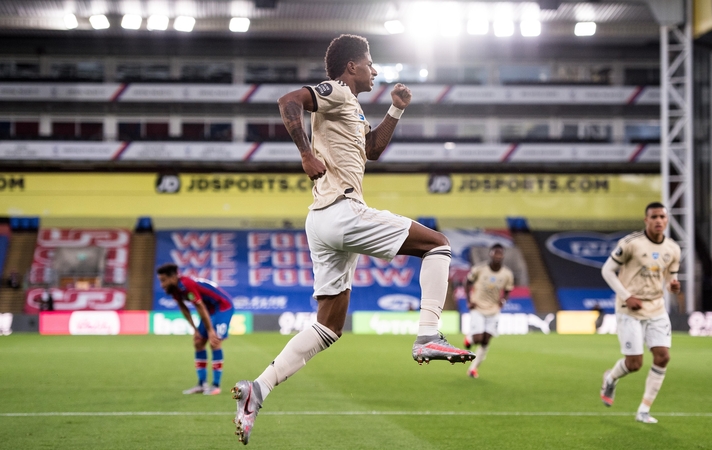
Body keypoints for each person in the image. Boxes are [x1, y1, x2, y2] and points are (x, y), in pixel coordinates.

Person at [231, 34, 475, 445]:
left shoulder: (352, 108)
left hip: (322, 221)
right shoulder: (338, 91)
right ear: (351, 68)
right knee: (438, 245)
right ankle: (428, 335)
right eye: (370, 63)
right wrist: (305, 153)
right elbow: (288, 100)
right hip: (342, 210)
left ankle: (259, 388)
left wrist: (396, 109)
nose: (375, 70)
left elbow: (372, 150)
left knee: (328, 326)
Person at [599, 202, 681, 424]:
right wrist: (626, 296)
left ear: (666, 220)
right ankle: (611, 377)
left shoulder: (673, 249)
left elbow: (669, 280)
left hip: (656, 308)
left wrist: (672, 286)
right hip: (629, 309)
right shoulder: (630, 244)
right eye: (653, 217)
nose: (658, 221)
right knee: (634, 363)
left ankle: (643, 410)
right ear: (646, 220)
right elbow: (607, 270)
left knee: (663, 357)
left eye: (662, 217)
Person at [156, 263, 235, 396]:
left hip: (222, 307)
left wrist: (210, 331)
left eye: (163, 280)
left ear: (173, 277)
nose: (162, 285)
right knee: (198, 343)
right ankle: (202, 384)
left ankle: (215, 385)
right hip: (209, 310)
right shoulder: (174, 289)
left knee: (214, 342)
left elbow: (200, 307)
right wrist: (195, 329)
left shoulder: (186, 285)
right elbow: (184, 308)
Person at [462, 244, 514, 379]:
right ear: (490, 254)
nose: (497, 256)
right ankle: (469, 338)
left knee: (486, 341)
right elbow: (467, 282)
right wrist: (469, 300)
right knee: (478, 338)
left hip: (494, 309)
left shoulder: (507, 274)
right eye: (495, 253)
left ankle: (473, 369)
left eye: (500, 253)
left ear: (503, 255)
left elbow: (508, 290)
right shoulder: (480, 269)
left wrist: (503, 300)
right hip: (478, 307)